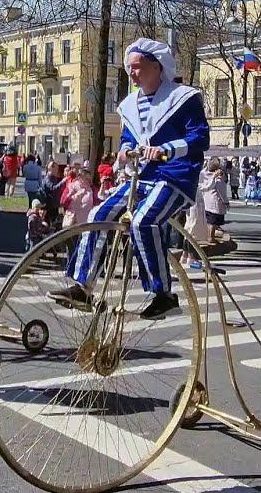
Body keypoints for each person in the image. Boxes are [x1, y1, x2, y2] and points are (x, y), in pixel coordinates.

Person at [50, 37, 209, 319]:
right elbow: (128, 137)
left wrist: (166, 150)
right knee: (99, 214)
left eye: (137, 67)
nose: (131, 73)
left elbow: (200, 137)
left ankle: (163, 294)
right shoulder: (131, 105)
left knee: (143, 221)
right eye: (129, 68)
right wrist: (124, 150)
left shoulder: (183, 98)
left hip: (174, 176)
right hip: (141, 176)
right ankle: (83, 287)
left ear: (157, 66)